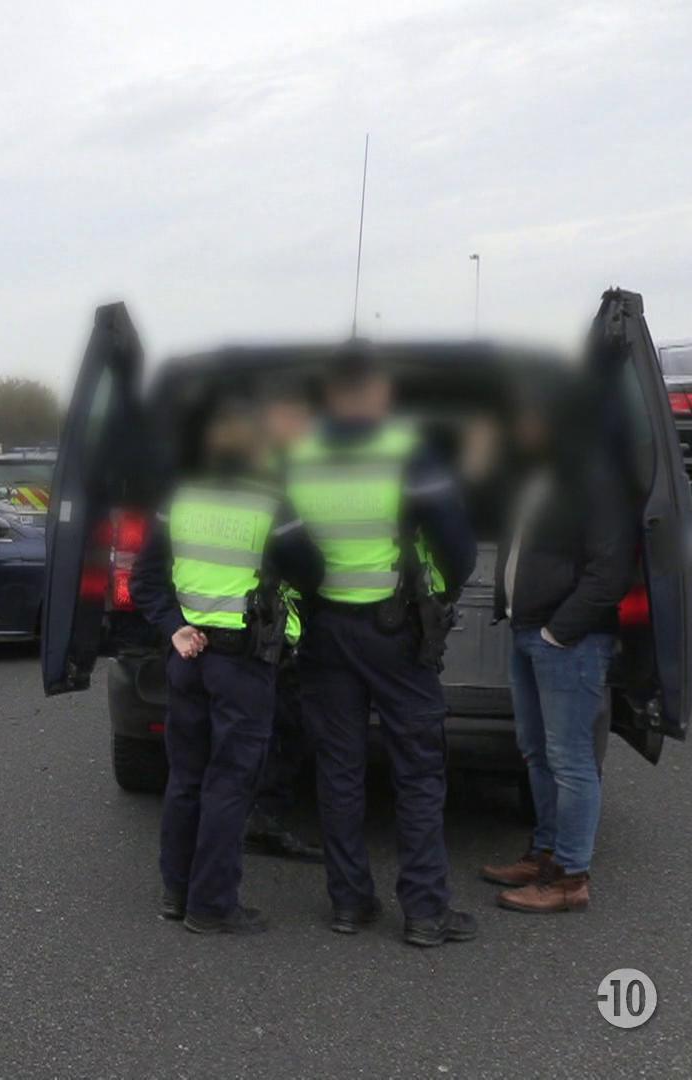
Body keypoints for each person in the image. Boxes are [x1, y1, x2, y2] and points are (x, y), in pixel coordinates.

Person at [287, 347, 480, 947]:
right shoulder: (403, 450)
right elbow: (458, 543)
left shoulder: (300, 455)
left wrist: (316, 582)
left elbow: (284, 544)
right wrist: (438, 594)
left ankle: (349, 903)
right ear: (373, 392)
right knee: (418, 769)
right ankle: (424, 911)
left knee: (338, 770)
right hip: (394, 632)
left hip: (324, 631)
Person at [133, 404, 324, 934]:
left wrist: (173, 625)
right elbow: (313, 569)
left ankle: (176, 892)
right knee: (230, 782)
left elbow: (146, 580)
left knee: (186, 779)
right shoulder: (270, 502)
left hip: (188, 656)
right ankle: (212, 905)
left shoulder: (177, 500)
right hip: (242, 662)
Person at [479, 389, 633, 913]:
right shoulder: (536, 477)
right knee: (537, 751)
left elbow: (609, 571)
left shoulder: (595, 478)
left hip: (568, 640)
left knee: (571, 760)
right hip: (530, 631)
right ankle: (544, 852)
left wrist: (558, 632)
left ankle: (569, 877)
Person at [243, 383, 324, 864]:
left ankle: (249, 814)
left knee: (271, 725)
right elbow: (301, 557)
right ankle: (263, 818)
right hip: (276, 625)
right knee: (283, 724)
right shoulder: (280, 476)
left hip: (265, 622)